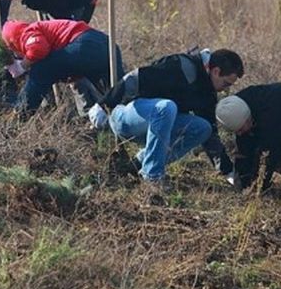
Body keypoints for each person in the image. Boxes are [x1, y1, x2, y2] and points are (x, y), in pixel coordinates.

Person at [88, 48, 244, 190]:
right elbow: (135, 77)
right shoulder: (182, 67)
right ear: (216, 71)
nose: (226, 90)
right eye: (226, 83)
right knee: (166, 108)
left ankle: (139, 163)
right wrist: (104, 104)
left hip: (157, 126)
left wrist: (228, 171)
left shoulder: (207, 91)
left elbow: (211, 137)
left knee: (203, 128)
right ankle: (152, 177)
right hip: (125, 117)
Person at [2, 19, 124, 115]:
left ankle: (19, 114)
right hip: (107, 45)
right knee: (118, 96)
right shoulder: (40, 29)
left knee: (42, 70)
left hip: (86, 43)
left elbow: (39, 48)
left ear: (12, 44)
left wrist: (23, 66)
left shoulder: (25, 33)